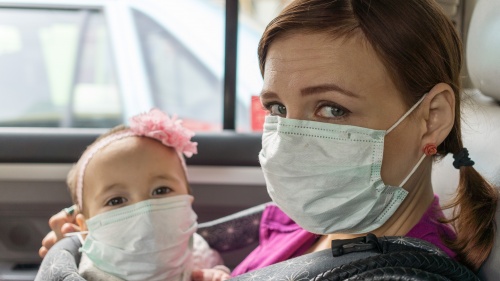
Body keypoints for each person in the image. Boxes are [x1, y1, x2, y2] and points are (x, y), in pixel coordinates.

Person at [41, 0, 498, 276]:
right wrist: (115, 254)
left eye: (331, 109)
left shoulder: (399, 274)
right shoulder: (308, 221)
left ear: (431, 118)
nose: (290, 139)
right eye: (277, 108)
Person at [54, 108, 230, 280]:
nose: (145, 210)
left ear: (188, 197)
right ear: (84, 228)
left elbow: (214, 267)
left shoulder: (196, 250)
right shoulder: (83, 275)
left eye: (161, 190)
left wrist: (214, 274)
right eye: (116, 200)